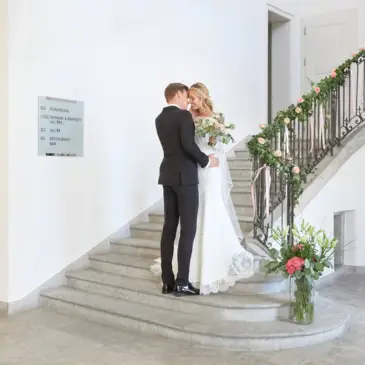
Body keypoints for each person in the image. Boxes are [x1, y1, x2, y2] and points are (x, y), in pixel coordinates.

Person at [155, 83, 220, 297]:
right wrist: (206, 161)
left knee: (169, 228)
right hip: (185, 178)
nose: (188, 100)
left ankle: (168, 282)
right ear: (179, 94)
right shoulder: (183, 116)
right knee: (188, 229)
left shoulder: (160, 118)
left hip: (167, 176)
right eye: (186, 96)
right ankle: (182, 282)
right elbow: (188, 145)